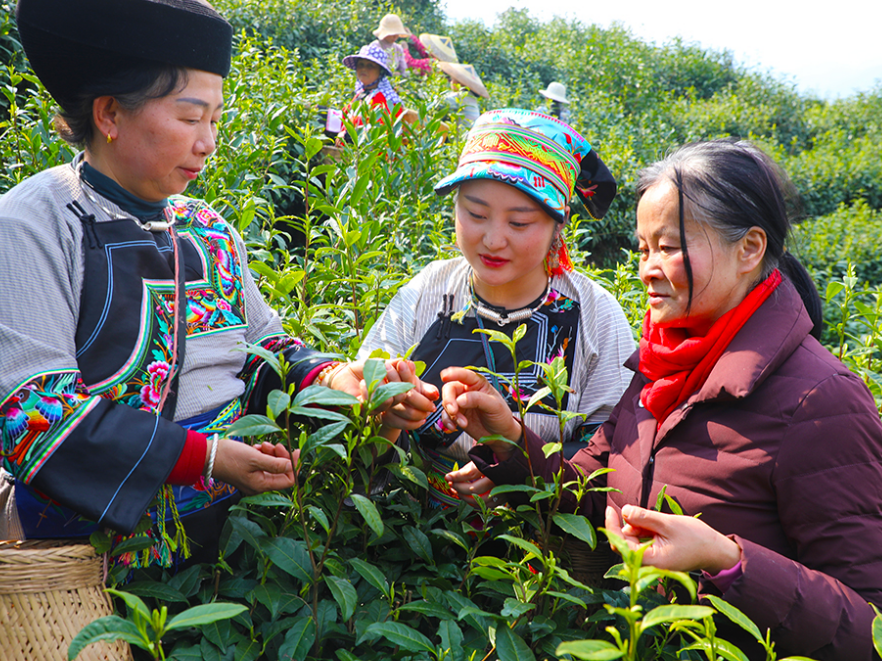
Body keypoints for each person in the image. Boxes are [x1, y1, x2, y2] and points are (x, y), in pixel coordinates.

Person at [0, 0, 435, 567]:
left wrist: (347, 382)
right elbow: (33, 418)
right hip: (75, 555)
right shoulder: (34, 222)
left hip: (221, 543)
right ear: (109, 113)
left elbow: (266, 353)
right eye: (189, 118)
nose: (208, 142)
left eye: (215, 120)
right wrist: (204, 459)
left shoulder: (208, 228)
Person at [440, 139, 882, 659]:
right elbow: (588, 491)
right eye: (644, 248)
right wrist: (508, 437)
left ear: (750, 249)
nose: (648, 267)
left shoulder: (821, 400)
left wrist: (726, 559)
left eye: (669, 247)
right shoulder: (662, 365)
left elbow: (867, 625)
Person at [358, 108, 635, 506]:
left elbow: (615, 451)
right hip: (412, 536)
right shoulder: (428, 291)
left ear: (560, 224)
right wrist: (383, 415)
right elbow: (356, 406)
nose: (492, 239)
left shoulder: (594, 313)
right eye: (476, 214)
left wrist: (519, 468)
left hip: (539, 545)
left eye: (519, 223)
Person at [340, 42, 404, 133]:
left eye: (370, 66)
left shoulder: (386, 99)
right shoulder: (361, 94)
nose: (363, 69)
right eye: (361, 64)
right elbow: (346, 116)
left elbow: (380, 131)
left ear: (380, 71)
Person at [370, 13, 433, 77]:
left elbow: (404, 71)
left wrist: (411, 74)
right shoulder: (375, 47)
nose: (395, 37)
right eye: (392, 34)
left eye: (397, 33)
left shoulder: (398, 48)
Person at [439, 62, 489, 130]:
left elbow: (441, 103)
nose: (451, 83)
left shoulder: (461, 96)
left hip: (462, 136)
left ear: (460, 83)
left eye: (452, 80)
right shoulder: (471, 97)